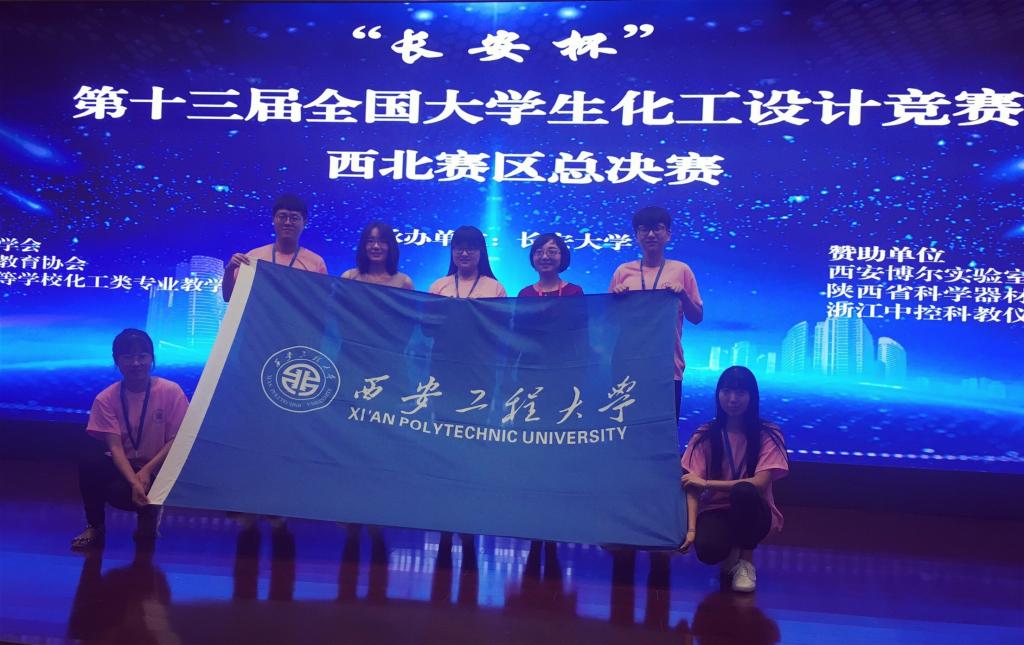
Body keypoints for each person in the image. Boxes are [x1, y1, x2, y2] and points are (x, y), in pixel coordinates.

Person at [71, 329, 189, 549]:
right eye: (127, 357)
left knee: (148, 509)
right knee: (90, 460)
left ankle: (149, 513)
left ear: (152, 358)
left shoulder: (171, 392)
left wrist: (146, 471)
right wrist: (135, 481)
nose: (136, 363)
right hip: (126, 467)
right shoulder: (106, 398)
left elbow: (178, 441)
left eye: (142, 356)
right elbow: (115, 448)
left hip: (160, 468)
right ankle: (95, 526)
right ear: (117, 361)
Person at [678, 366, 788, 592]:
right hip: (716, 509)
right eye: (726, 391)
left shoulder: (768, 433)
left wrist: (707, 484)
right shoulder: (705, 435)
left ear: (752, 396)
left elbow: (759, 484)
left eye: (740, 392)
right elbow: (692, 485)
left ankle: (746, 562)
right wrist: (691, 530)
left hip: (754, 509)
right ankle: (731, 552)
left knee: (744, 491)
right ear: (718, 394)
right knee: (708, 550)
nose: (732, 399)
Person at [609, 206, 703, 420]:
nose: (651, 234)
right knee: (626, 430)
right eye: (644, 229)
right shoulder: (623, 272)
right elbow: (610, 322)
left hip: (668, 367)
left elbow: (697, 317)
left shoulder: (682, 270)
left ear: (668, 234)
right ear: (636, 235)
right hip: (627, 365)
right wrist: (616, 301)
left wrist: (683, 296)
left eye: (657, 228)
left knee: (664, 433)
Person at [222, 193, 328, 302]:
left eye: (294, 218)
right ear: (273, 219)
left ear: (304, 222)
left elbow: (322, 304)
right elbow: (228, 297)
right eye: (282, 217)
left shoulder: (316, 263)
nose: (287, 222)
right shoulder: (252, 257)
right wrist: (230, 269)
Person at [428, 226, 506, 298]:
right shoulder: (438, 287)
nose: (464, 254)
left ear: (481, 252)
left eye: (470, 249)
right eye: (459, 249)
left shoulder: (496, 288)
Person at [340, 221, 414, 289]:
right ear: (363, 245)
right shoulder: (349, 278)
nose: (376, 246)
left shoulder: (404, 282)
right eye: (370, 241)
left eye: (383, 241)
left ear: (391, 246)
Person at [517, 233, 584, 297]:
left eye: (551, 252)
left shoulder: (574, 292)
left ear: (563, 256)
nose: (544, 257)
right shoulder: (525, 294)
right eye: (539, 252)